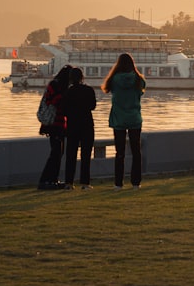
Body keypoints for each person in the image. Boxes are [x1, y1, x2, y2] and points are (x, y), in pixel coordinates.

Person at [102, 53, 146, 190]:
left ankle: (118, 183)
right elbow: (141, 93)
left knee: (119, 153)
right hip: (134, 118)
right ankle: (136, 183)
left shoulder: (114, 80)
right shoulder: (138, 80)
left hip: (119, 119)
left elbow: (109, 90)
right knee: (136, 152)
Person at [37, 65, 72, 190]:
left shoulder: (54, 85)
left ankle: (51, 180)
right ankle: (46, 180)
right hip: (55, 124)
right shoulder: (56, 86)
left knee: (58, 152)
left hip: (58, 124)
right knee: (56, 153)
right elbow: (53, 101)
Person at [62, 66, 97, 190]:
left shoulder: (68, 92)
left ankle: (69, 183)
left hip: (72, 125)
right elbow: (93, 106)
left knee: (71, 154)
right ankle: (85, 183)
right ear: (82, 77)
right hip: (87, 124)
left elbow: (64, 110)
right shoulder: (89, 90)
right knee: (86, 155)